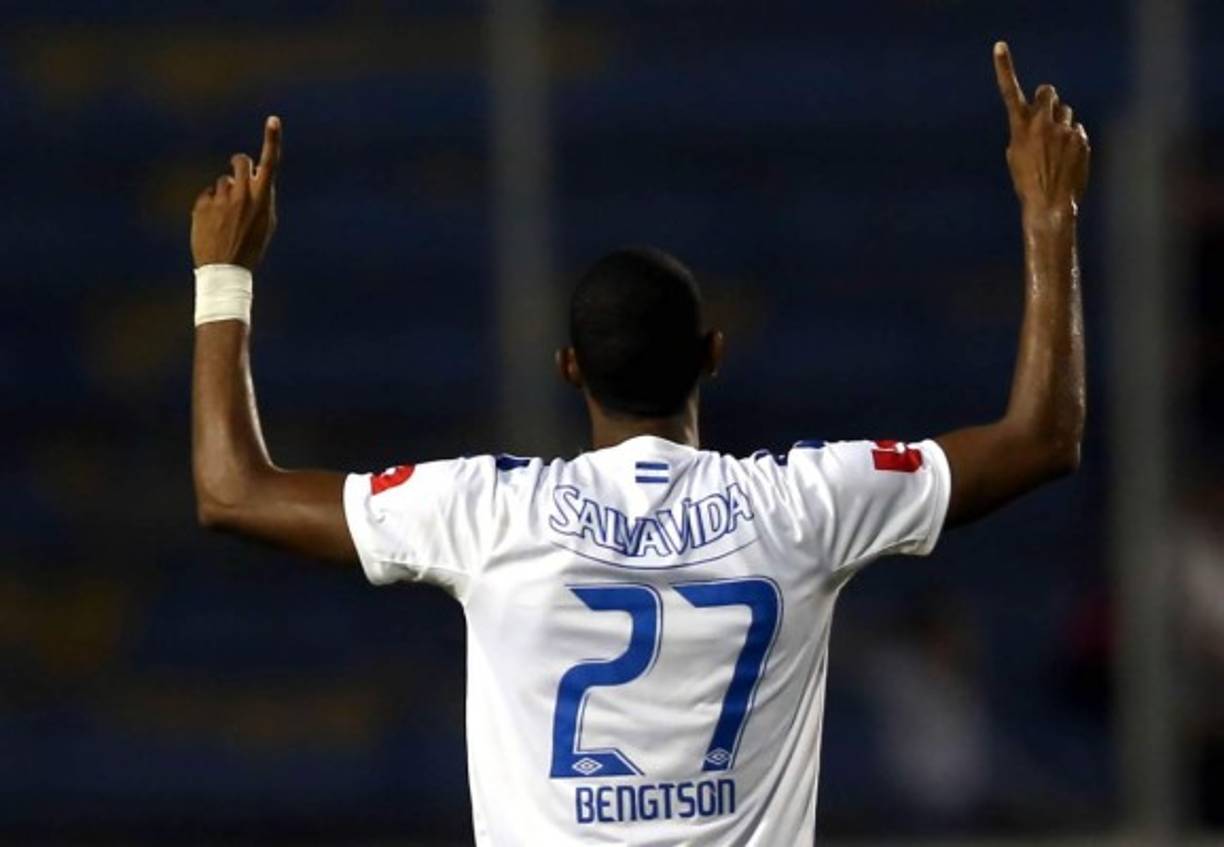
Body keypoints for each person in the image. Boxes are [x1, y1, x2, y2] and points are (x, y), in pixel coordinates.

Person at [189, 42, 1088, 845]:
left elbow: (231, 491)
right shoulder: (804, 506)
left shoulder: (489, 511)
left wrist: (224, 276)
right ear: (713, 356)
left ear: (568, 367)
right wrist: (1049, 213)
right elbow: (1041, 437)